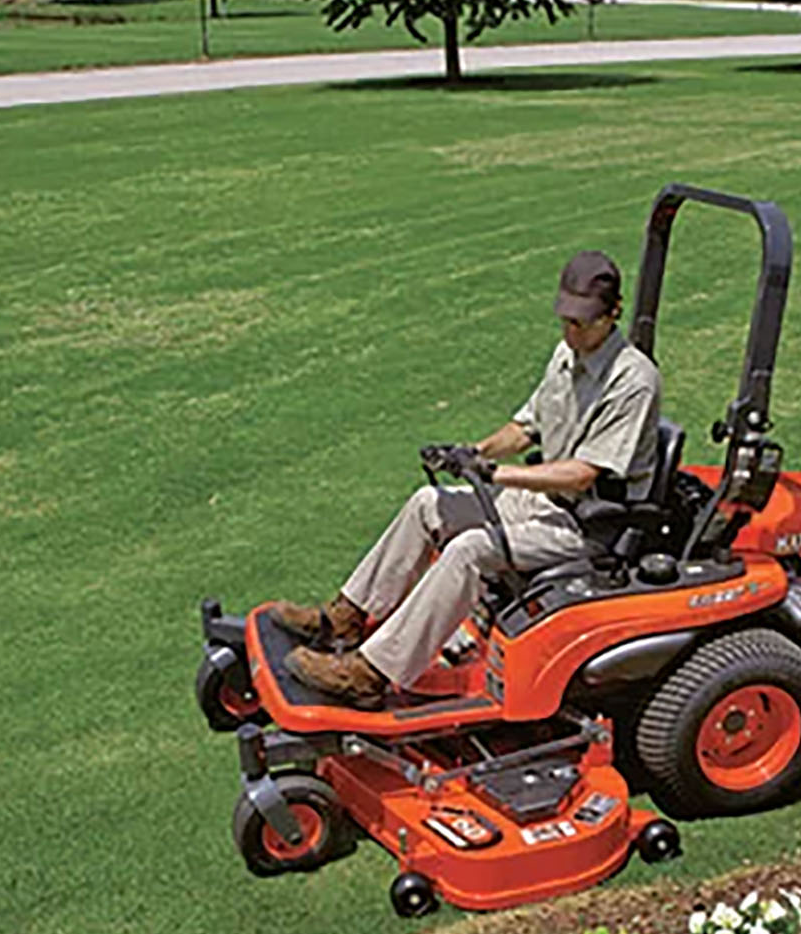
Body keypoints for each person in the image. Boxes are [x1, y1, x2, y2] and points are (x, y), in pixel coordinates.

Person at [276, 250, 662, 708]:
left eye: (583, 323)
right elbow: (526, 428)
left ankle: (371, 673)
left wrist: (498, 473)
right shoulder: (565, 355)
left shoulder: (634, 380)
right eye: (566, 320)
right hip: (542, 500)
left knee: (469, 549)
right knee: (427, 503)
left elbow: (583, 475)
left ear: (612, 313)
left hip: (590, 526)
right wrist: (472, 452)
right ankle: (345, 616)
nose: (571, 331)